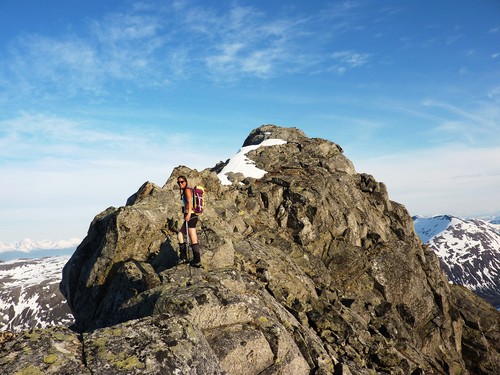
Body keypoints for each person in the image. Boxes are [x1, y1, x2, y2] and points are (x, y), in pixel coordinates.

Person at [177, 176, 202, 267]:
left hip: (191, 216)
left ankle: (196, 260)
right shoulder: (185, 191)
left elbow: (190, 203)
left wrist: (188, 214)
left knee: (193, 238)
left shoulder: (187, 190)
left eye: (182, 182)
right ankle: (184, 257)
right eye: (178, 182)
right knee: (180, 234)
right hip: (191, 216)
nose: (180, 183)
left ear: (186, 182)